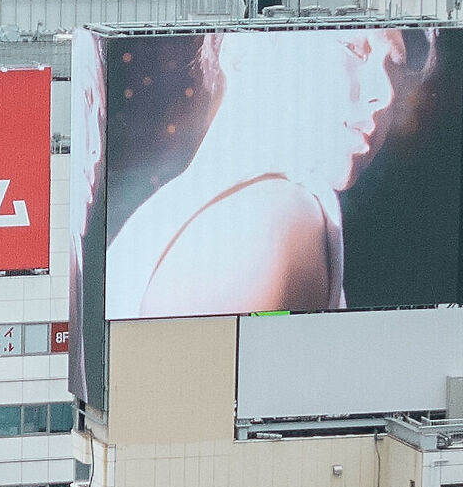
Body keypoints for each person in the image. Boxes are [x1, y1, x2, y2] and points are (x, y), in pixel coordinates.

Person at [105, 25, 421, 321]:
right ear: (244, 50)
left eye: (397, 69)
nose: (388, 93)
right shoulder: (277, 214)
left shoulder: (157, 222)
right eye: (353, 49)